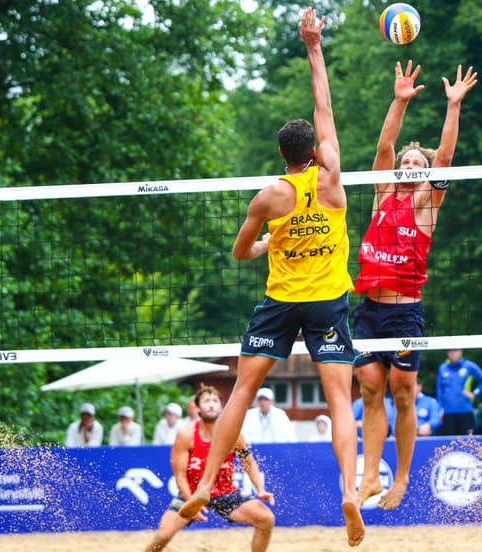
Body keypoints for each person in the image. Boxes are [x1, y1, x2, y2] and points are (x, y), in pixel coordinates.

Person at [179, 8, 364, 546]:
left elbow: (239, 253)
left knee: (241, 390)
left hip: (281, 301)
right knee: (337, 399)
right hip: (328, 301)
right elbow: (323, 104)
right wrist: (312, 44)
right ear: (315, 152)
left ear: (281, 155)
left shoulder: (269, 196)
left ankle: (209, 481)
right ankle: (349, 491)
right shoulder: (333, 180)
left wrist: (263, 243)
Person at [353, 60, 478, 510]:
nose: (407, 164)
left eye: (414, 162)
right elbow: (386, 145)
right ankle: (369, 476)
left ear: (422, 174)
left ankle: (401, 477)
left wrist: (453, 107)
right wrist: (399, 100)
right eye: (404, 161)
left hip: (404, 313)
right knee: (369, 387)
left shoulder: (426, 205)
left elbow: (444, 157)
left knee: (403, 395)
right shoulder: (383, 195)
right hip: (368, 310)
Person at [145, 385, 275, 552]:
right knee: (163, 536)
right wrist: (192, 503)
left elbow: (248, 462)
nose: (212, 405)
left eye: (215, 401)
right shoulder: (186, 435)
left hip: (225, 492)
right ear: (197, 408)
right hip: (192, 493)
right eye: (207, 401)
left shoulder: (234, 434)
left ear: (221, 406)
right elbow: (180, 476)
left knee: (266, 519)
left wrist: (260, 489)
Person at [436, 349, 482, 436]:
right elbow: (439, 390)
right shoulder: (443, 368)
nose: (452, 353)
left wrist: (475, 393)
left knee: (468, 441)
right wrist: (439, 409)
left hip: (465, 410)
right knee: (448, 443)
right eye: (450, 351)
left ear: (461, 351)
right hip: (448, 412)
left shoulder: (469, 366)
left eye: (455, 350)